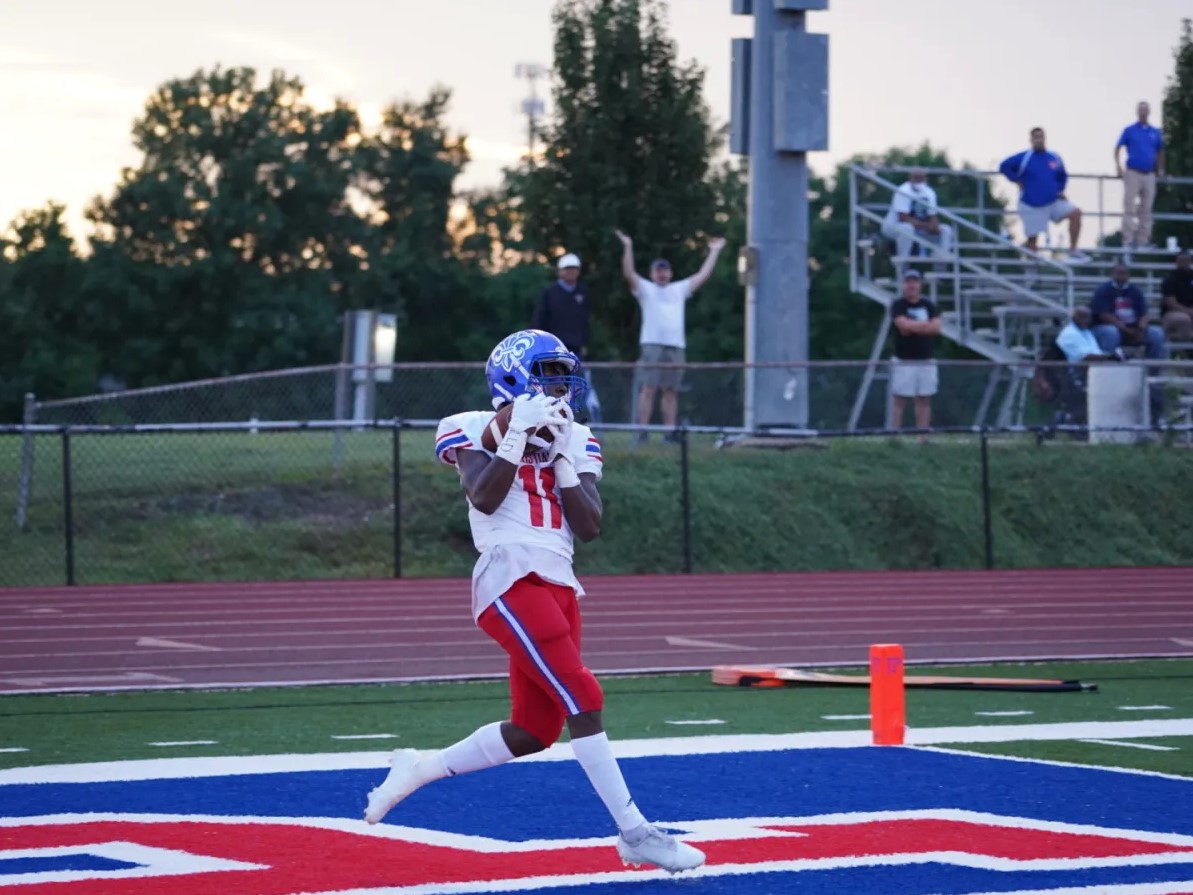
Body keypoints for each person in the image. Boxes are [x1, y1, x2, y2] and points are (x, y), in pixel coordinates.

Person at [362, 328, 705, 875]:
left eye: (564, 374)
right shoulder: (470, 425)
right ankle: (636, 833)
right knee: (583, 694)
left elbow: (589, 526)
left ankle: (419, 768)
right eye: (549, 373)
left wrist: (563, 459)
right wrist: (516, 436)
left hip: (560, 581)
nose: (561, 385)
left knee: (534, 730)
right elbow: (483, 496)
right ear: (514, 377)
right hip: (510, 574)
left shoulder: (578, 435)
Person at [614, 229, 726, 445]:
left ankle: (669, 433)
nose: (662, 274)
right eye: (658, 271)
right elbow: (629, 273)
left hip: (676, 346)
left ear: (670, 273)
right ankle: (641, 432)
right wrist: (628, 246)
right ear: (652, 274)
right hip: (652, 345)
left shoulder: (679, 289)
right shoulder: (646, 289)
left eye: (665, 271)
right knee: (648, 388)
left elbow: (702, 275)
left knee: (671, 390)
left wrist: (714, 251)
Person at [999, 127, 1090, 263]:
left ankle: (1073, 251)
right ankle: (1031, 270)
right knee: (1032, 239)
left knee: (1075, 213)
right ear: (1031, 140)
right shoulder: (1025, 157)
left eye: (1041, 137)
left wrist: (1060, 190)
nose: (1039, 140)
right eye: (1036, 137)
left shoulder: (1054, 157)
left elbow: (1062, 176)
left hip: (1053, 202)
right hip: (1031, 203)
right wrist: (1017, 180)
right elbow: (1004, 166)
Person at [532, 252, 602, 423]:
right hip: (553, 351)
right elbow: (539, 320)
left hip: (576, 351)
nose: (571, 272)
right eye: (567, 268)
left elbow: (586, 321)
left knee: (578, 386)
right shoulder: (550, 292)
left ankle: (579, 419)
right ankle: (549, 418)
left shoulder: (583, 292)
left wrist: (585, 342)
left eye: (574, 268)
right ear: (560, 271)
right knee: (552, 384)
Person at [889, 270, 941, 441]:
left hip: (926, 359)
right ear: (903, 284)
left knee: (924, 399)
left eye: (915, 281)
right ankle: (894, 436)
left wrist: (914, 327)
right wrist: (925, 325)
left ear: (920, 284)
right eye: (908, 281)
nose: (912, 285)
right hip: (904, 360)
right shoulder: (898, 305)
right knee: (900, 399)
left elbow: (936, 328)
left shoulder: (929, 305)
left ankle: (922, 437)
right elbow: (903, 326)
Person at [1115, 101, 1166, 253]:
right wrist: (1118, 167)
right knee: (1129, 207)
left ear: (1149, 112)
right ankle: (1128, 240)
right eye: (1141, 110)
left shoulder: (1155, 132)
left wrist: (1160, 169)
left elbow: (1160, 150)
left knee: (1147, 208)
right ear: (1137, 112)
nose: (1143, 113)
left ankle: (1143, 241)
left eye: (1145, 110)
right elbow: (1118, 148)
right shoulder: (1130, 130)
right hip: (1133, 172)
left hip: (1149, 174)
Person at [881, 167, 955, 272]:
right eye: (916, 177)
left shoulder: (929, 193)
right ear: (910, 177)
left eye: (921, 177)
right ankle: (902, 266)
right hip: (893, 226)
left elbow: (933, 215)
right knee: (907, 228)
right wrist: (927, 225)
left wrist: (934, 226)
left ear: (925, 178)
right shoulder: (903, 190)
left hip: (918, 229)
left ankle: (940, 269)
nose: (919, 180)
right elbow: (903, 217)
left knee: (946, 230)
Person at [1089, 262, 1167, 360]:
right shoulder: (1103, 290)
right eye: (1119, 273)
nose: (1122, 276)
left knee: (1157, 333)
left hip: (1134, 329)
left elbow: (1144, 314)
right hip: (1109, 328)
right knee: (1110, 332)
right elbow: (1105, 316)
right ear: (1113, 274)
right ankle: (1109, 365)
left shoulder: (1136, 291)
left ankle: (1153, 367)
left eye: (1124, 273)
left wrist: (1141, 329)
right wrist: (1127, 330)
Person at [1160, 250, 1193, 345]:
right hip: (1172, 313)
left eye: (1187, 260)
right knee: (1183, 319)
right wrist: (1189, 312)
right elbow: (1170, 302)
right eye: (1181, 260)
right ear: (1176, 262)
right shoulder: (1169, 279)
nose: (1184, 262)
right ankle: (1186, 348)